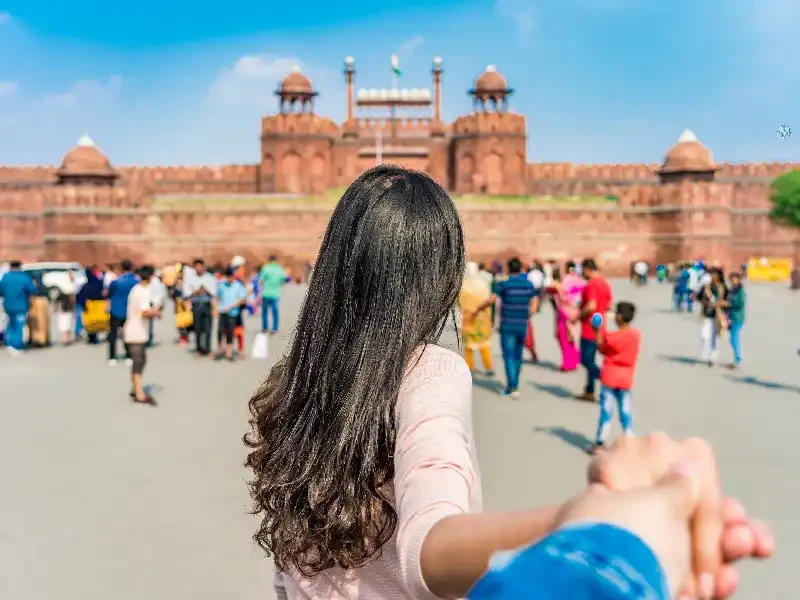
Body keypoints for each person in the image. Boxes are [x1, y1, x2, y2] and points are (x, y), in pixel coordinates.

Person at [244, 167, 772, 600]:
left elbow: (290, 569)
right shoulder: (428, 369)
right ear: (442, 276)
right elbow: (429, 542)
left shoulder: (297, 378)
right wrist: (587, 528)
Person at [472, 257, 539, 398]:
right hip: (522, 325)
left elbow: (491, 300)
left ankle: (512, 386)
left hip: (507, 325)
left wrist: (478, 309)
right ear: (520, 268)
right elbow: (534, 303)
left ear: (508, 269)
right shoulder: (528, 284)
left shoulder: (504, 284)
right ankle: (514, 383)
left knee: (508, 355)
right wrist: (528, 315)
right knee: (518, 355)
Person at [588, 301, 641, 454]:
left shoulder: (612, 337)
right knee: (626, 412)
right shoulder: (636, 335)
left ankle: (600, 442)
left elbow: (601, 347)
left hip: (610, 378)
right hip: (626, 379)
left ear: (619, 316)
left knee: (606, 412)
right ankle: (630, 441)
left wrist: (597, 330)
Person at [575, 258, 612, 402]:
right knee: (591, 358)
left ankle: (605, 378)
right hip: (601, 327)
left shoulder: (591, 285)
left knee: (585, 359)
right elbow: (608, 305)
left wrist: (579, 315)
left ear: (586, 269)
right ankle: (589, 390)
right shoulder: (605, 283)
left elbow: (591, 305)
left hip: (589, 328)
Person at [124, 265, 159, 405]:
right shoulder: (143, 291)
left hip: (133, 330)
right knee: (139, 362)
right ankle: (139, 393)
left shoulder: (136, 289)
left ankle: (135, 388)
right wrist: (155, 312)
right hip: (136, 332)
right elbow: (144, 312)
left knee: (139, 361)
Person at [459, 262, 495, 376]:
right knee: (484, 343)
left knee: (469, 345)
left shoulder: (462, 286)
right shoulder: (483, 284)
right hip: (482, 318)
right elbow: (489, 300)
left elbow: (458, 303)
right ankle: (489, 367)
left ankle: (470, 366)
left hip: (467, 318)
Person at [107, 259, 138, 366]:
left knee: (113, 334)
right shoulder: (135, 281)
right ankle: (128, 356)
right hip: (129, 311)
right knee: (128, 334)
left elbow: (109, 294)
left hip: (115, 309)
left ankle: (112, 357)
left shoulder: (115, 282)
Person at [0, 260, 35, 355]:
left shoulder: (6, 277)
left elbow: (1, 290)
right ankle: (16, 345)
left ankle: (9, 343)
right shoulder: (24, 277)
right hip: (21, 305)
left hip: (8, 305)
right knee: (18, 325)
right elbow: (32, 290)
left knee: (10, 324)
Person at [184, 258, 216, 357]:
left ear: (203, 267)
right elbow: (186, 293)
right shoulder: (190, 278)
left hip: (207, 304)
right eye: (196, 267)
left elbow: (214, 292)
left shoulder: (210, 277)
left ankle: (207, 349)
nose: (199, 268)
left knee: (208, 328)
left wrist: (205, 290)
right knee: (197, 328)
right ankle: (199, 349)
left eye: (200, 266)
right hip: (196, 304)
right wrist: (196, 291)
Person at [216, 266, 247, 361]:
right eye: (227, 276)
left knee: (230, 332)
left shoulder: (238, 286)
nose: (229, 279)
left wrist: (232, 306)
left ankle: (228, 353)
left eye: (231, 276)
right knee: (220, 332)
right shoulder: (221, 285)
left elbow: (242, 300)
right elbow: (217, 297)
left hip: (233, 313)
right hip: (222, 312)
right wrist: (215, 308)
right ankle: (220, 350)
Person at [698, 268, 728, 367]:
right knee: (704, 335)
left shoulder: (722, 287)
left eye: (714, 275)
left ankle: (713, 357)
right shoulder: (705, 287)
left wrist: (722, 305)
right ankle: (706, 354)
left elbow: (727, 300)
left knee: (715, 337)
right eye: (711, 274)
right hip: (706, 314)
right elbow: (698, 297)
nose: (713, 276)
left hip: (717, 315)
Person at [259, 255, 286, 334]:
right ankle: (275, 329)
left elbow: (261, 281)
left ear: (269, 260)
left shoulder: (265, 268)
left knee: (265, 312)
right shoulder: (280, 269)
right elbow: (283, 282)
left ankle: (265, 328)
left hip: (266, 293)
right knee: (275, 312)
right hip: (275, 294)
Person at [727, 272, 746, 369]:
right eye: (731, 279)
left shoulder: (740, 291)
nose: (733, 281)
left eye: (734, 279)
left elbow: (740, 304)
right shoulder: (732, 290)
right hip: (731, 317)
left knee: (734, 339)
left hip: (738, 318)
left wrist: (729, 304)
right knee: (733, 339)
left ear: (738, 280)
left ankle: (738, 360)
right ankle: (736, 359)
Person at [55, 271, 78, 345]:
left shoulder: (73, 286)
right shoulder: (63, 287)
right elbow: (58, 300)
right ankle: (65, 339)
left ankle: (68, 339)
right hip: (63, 309)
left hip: (70, 309)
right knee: (64, 324)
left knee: (69, 324)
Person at [147, 269, 167, 347]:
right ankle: (149, 339)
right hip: (154, 304)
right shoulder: (158, 283)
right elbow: (162, 296)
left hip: (150, 304)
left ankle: (148, 339)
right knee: (150, 324)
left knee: (149, 324)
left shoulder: (152, 282)